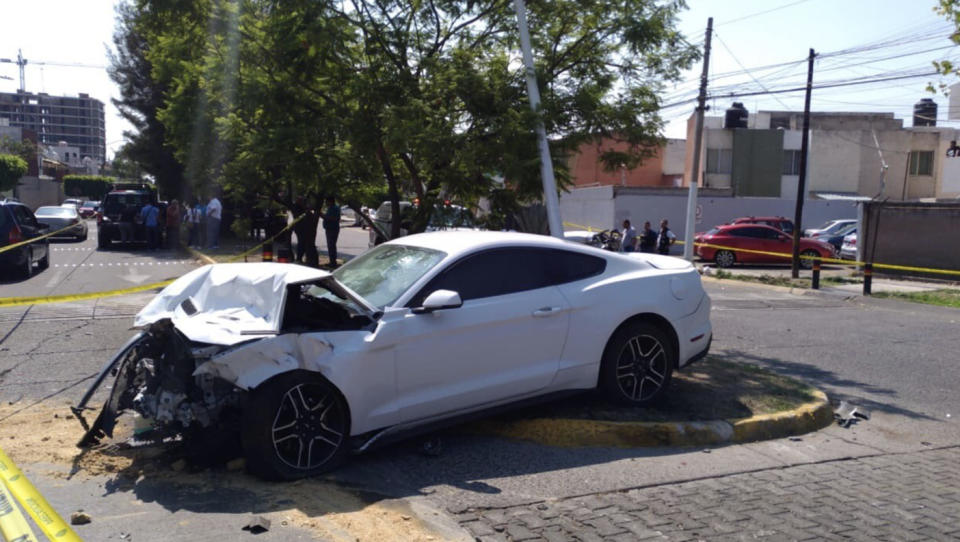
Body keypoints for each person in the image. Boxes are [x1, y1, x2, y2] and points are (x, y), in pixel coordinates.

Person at [322, 195, 341, 268]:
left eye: (326, 201)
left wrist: (322, 215)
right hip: (330, 228)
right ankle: (332, 261)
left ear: (330, 201)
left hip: (332, 229)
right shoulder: (331, 208)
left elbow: (331, 218)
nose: (325, 203)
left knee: (331, 246)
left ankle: (333, 263)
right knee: (331, 246)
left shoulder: (334, 208)